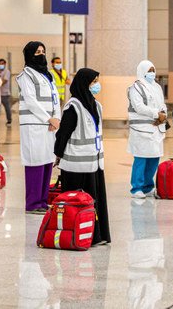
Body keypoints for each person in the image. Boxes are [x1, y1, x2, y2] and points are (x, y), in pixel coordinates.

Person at [54, 68, 111, 245]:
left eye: (96, 81)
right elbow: (63, 134)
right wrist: (58, 154)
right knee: (78, 204)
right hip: (76, 165)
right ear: (84, 83)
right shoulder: (73, 106)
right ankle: (77, 235)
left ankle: (96, 236)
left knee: (95, 201)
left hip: (94, 163)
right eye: (93, 82)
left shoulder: (96, 105)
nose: (96, 85)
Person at [17, 42, 61, 214]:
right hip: (34, 124)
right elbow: (30, 100)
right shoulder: (26, 75)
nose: (41, 54)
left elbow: (55, 98)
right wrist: (48, 118)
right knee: (35, 161)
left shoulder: (47, 76)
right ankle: (33, 203)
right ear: (29, 54)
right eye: (37, 52)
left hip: (50, 125)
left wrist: (56, 117)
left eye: (43, 51)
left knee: (47, 160)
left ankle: (43, 201)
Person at [127, 60, 167, 199]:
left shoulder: (157, 87)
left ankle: (148, 187)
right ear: (142, 71)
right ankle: (136, 188)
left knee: (154, 158)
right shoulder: (135, 87)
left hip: (156, 128)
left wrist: (163, 115)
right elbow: (139, 107)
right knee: (141, 158)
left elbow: (162, 104)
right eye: (149, 71)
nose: (152, 73)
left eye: (153, 70)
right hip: (142, 130)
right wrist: (157, 114)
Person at [0, 59, 12, 126]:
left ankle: (9, 121)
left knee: (7, 108)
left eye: (3, 63)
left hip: (5, 94)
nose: (1, 65)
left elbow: (5, 80)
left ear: (5, 64)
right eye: (0, 64)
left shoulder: (7, 71)